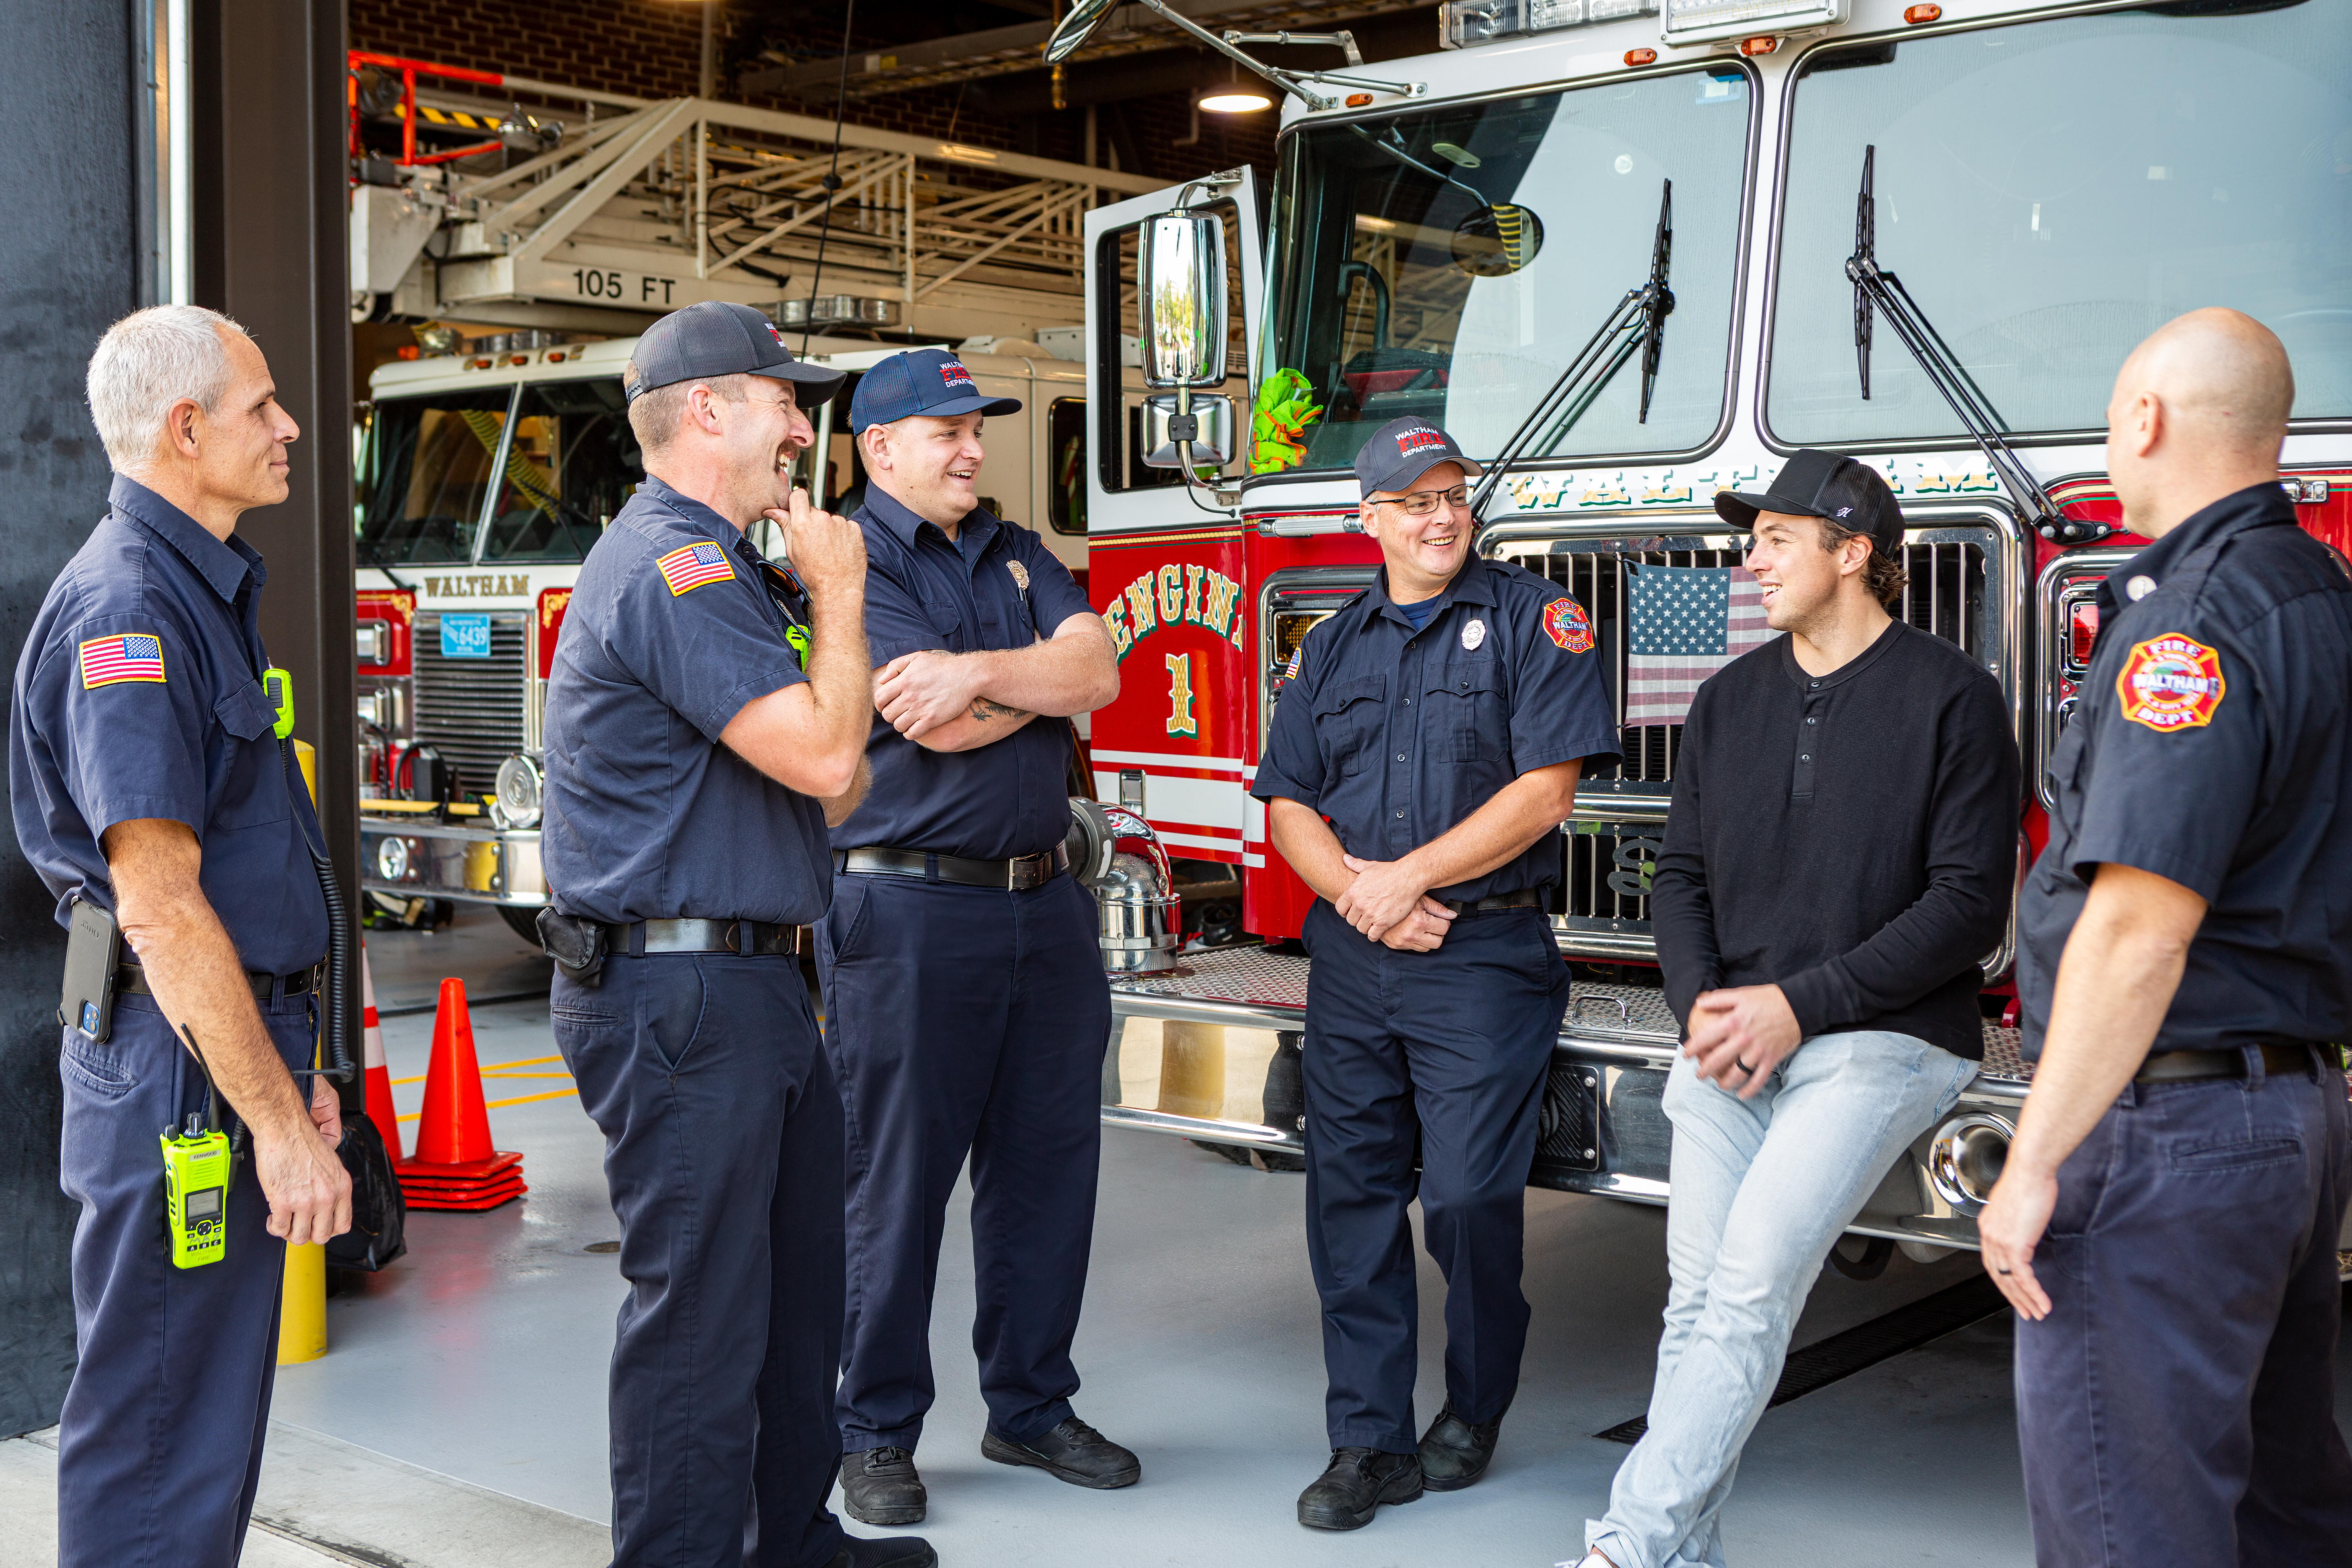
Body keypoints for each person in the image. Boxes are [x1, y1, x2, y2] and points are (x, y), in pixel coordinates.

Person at [1572, 450, 2018, 1568]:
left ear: (1852, 553)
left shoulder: (1955, 698)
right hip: (1733, 1039)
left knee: (1751, 1285)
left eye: (1775, 538)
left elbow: (1968, 910)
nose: (1750, 558)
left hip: (1886, 1043)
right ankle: (1679, 1553)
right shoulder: (1726, 701)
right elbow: (1679, 877)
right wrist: (1703, 1009)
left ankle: (1628, 1547)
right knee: (1697, 1304)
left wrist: (1795, 1008)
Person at [537, 302, 929, 1568]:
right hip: (681, 995)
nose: (803, 431)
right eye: (782, 401)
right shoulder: (675, 566)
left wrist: (826, 621)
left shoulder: (722, 567)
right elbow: (830, 751)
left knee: (799, 1299)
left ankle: (791, 1543)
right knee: (701, 1322)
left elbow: (838, 784)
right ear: (707, 410)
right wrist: (847, 589)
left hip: (750, 985)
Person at [1980, 308, 2352, 1564]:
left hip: (2169, 1133)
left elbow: (2140, 926)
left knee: (2125, 1526)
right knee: (2281, 1508)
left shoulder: (2188, 622)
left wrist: (2032, 1159)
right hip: (2294, 1120)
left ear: (2144, 421)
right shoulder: (2322, 594)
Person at [9, 304, 350, 1568]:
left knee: (196, 1414)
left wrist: (291, 1070)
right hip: (176, 1065)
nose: (291, 426)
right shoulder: (130, 612)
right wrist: (271, 1124)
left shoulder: (196, 589)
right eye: (264, 406)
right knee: (160, 1419)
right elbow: (157, 901)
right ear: (185, 426)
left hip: (212, 1040)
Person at [1251, 418, 1620, 1531]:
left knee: (1466, 1200)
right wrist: (1361, 898)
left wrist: (1401, 881)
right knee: (1351, 1202)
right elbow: (1287, 803)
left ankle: (1473, 1406)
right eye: (1414, 500)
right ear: (1369, 520)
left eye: (1454, 494)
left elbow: (1546, 794)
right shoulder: (1329, 646)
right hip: (1357, 961)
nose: (1441, 515)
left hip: (1484, 958)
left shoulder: (1532, 620)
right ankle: (1366, 1442)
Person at [820, 348, 1127, 1528]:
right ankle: (874, 1430)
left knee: (1049, 1172)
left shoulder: (1015, 549)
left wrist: (986, 676)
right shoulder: (852, 562)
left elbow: (1096, 668)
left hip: (1046, 905)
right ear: (878, 447)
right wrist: (1019, 684)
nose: (971, 448)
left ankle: (1033, 1406)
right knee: (891, 1186)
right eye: (946, 430)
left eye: (976, 427)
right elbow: (923, 723)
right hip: (908, 910)